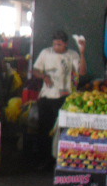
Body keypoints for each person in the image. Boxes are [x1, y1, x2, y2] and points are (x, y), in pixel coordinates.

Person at [32, 30, 87, 170]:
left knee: (61, 130)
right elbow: (36, 70)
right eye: (55, 44)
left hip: (64, 98)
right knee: (44, 130)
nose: (56, 47)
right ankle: (45, 160)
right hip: (46, 97)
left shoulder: (72, 55)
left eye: (59, 45)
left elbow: (82, 72)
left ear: (66, 44)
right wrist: (44, 76)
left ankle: (61, 161)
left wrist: (82, 53)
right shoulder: (45, 53)